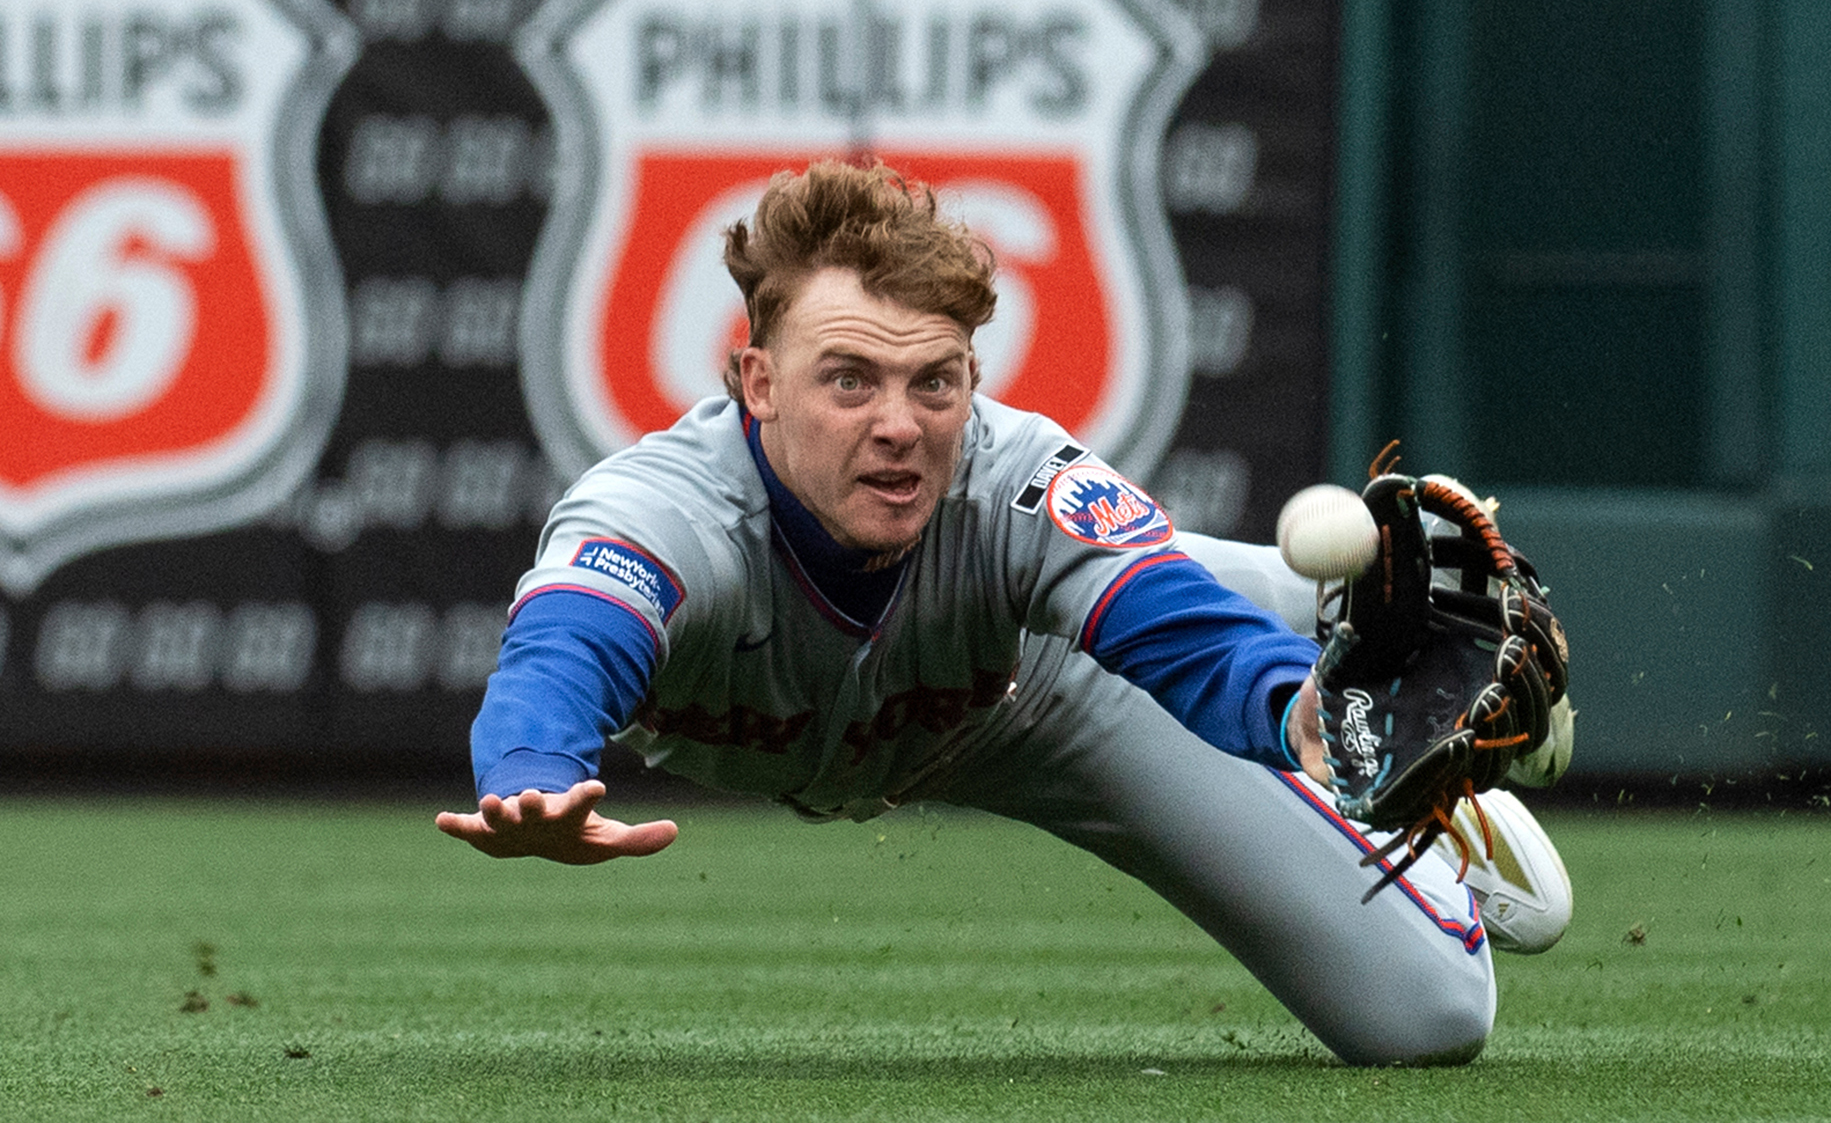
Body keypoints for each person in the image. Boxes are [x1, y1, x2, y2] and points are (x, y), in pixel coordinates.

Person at [436, 159, 1571, 1067]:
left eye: (935, 380)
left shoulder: (1009, 471)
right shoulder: (664, 508)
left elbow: (1166, 626)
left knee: (1425, 1018)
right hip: (948, 673)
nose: (899, 422)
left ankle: (1373, 678)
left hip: (1038, 698)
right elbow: (565, 646)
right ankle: (1341, 608)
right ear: (757, 384)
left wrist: (1296, 717)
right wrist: (529, 768)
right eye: (848, 380)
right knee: (1138, 569)